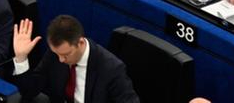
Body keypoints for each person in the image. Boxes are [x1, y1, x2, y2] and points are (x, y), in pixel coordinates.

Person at [9, 16, 140, 103]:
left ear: (81, 43)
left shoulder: (111, 68)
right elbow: (29, 92)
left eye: (66, 55)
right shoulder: (56, 54)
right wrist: (21, 58)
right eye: (57, 54)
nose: (60, 60)